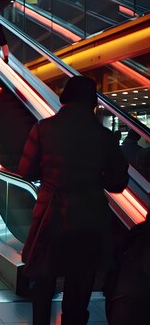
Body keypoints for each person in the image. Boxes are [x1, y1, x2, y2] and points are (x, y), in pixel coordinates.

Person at [18, 76, 129, 325]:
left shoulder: (43, 129)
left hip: (51, 217)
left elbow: (26, 171)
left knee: (44, 284)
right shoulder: (104, 137)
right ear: (93, 102)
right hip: (90, 220)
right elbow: (118, 183)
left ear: (65, 98)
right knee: (79, 288)